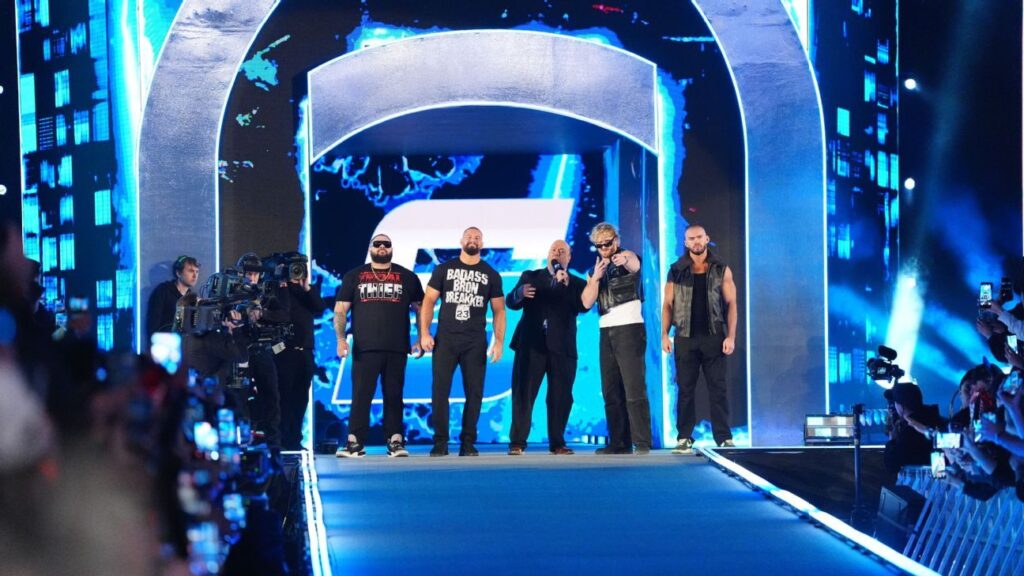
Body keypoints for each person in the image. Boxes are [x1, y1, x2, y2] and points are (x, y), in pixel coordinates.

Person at [334, 234, 424, 458]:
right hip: (365, 347)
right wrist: (340, 339)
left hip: (397, 346)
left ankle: (395, 441)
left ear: (391, 248)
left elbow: (421, 309)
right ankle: (355, 443)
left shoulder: (408, 277)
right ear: (370, 248)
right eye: (377, 244)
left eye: (386, 244)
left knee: (394, 395)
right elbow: (340, 310)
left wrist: (422, 337)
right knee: (361, 395)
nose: (382, 247)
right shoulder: (354, 276)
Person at [419, 227, 506, 457]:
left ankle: (468, 443)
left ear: (482, 244)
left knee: (475, 393)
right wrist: (424, 333)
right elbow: (428, 301)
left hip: (475, 342)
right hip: (445, 340)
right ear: (461, 241)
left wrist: (499, 342)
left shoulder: (491, 274)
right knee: (439, 392)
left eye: (477, 237)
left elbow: (499, 310)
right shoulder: (444, 269)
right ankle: (440, 442)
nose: (472, 240)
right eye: (469, 236)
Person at [506, 240, 588, 455]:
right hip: (530, 345)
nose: (557, 254)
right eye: (553, 250)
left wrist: (566, 283)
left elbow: (583, 307)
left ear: (569, 257)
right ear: (548, 255)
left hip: (562, 347)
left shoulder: (577, 283)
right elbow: (511, 302)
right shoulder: (530, 277)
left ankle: (557, 443)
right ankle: (517, 442)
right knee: (524, 393)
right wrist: (519, 293)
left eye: (562, 251)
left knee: (561, 396)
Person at [661, 224, 738, 454]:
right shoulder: (676, 270)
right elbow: (668, 304)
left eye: (699, 237)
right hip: (685, 338)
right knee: (685, 390)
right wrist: (664, 334)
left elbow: (731, 304)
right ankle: (684, 437)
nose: (696, 241)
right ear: (686, 242)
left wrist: (731, 336)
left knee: (718, 389)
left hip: (714, 336)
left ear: (707, 239)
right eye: (691, 238)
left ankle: (724, 438)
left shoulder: (721, 269)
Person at [581, 222, 653, 455]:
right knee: (610, 390)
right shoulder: (595, 270)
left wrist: (624, 259)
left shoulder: (628, 256)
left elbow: (633, 263)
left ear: (617, 240)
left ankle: (641, 441)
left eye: (608, 243)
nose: (604, 248)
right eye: (599, 245)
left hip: (629, 329)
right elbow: (586, 302)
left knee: (634, 388)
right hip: (606, 331)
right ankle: (619, 442)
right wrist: (596, 278)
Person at [237, 253, 290, 451]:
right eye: (248, 273)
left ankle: (273, 443)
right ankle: (242, 441)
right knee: (240, 398)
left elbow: (284, 315)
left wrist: (262, 313)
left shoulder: (267, 293)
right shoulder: (232, 291)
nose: (252, 277)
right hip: (239, 352)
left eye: (255, 274)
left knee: (271, 397)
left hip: (263, 351)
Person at [275, 259, 327, 451]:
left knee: (301, 399)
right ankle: (282, 440)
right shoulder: (280, 290)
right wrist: (282, 283)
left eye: (299, 269)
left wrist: (306, 288)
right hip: (284, 352)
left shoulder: (307, 291)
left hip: (305, 353)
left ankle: (295, 440)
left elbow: (320, 307)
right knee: (285, 398)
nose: (296, 272)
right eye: (293, 269)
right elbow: (282, 309)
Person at [146, 255, 199, 344]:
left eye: (197, 272)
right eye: (191, 271)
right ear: (178, 273)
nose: (195, 275)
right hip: (164, 345)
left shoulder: (192, 297)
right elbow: (153, 324)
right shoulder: (163, 291)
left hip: (186, 346)